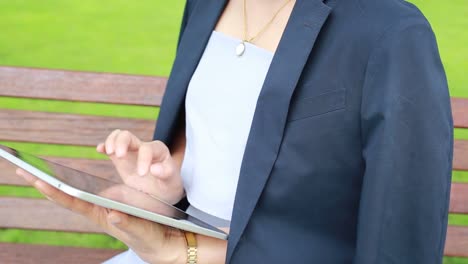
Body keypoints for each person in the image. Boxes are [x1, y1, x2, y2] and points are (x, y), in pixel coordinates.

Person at [17, 0, 454, 263]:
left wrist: (184, 255)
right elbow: (210, 158)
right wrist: (167, 191)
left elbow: (399, 245)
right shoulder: (207, 4)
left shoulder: (391, 32)